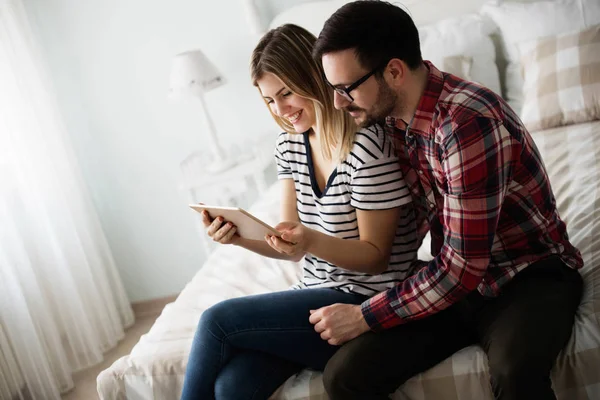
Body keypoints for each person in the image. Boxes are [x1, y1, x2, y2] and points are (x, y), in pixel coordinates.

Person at [307, 2, 585, 399]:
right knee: (344, 375)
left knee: (514, 372)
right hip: (457, 283)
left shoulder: (466, 122)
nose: (338, 103)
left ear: (394, 72)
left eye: (345, 89)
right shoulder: (387, 119)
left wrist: (365, 316)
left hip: (527, 273)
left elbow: (462, 268)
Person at [179, 23, 419, 400]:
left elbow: (377, 258)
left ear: (315, 76)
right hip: (312, 295)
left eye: (287, 93)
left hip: (364, 302)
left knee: (216, 321)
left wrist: (309, 239)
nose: (281, 110)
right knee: (232, 388)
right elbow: (286, 242)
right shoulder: (290, 145)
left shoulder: (369, 147)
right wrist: (238, 236)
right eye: (269, 100)